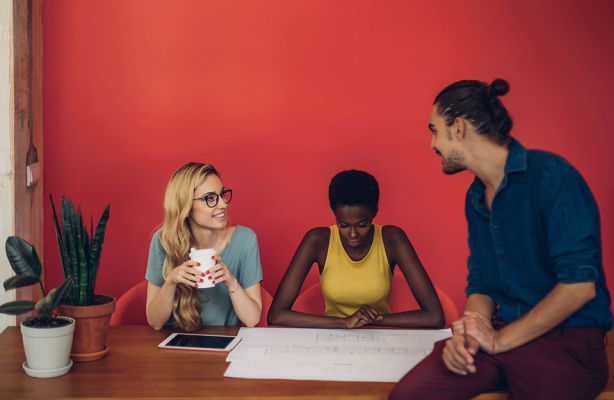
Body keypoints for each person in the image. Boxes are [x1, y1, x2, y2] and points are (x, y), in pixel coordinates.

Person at [390, 79, 612, 399]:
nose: (431, 144)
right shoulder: (476, 197)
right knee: (409, 395)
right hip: (501, 336)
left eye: (434, 130)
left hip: (565, 346)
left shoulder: (551, 176)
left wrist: (497, 341)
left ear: (459, 128)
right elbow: (481, 284)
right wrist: (468, 335)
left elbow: (579, 287)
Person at [268, 169, 444, 329]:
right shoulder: (318, 241)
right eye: (343, 225)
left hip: (383, 339)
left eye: (362, 224)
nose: (353, 234)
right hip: (333, 339)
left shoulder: (392, 239)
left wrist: (373, 319)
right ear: (334, 215)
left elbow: (434, 317)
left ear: (374, 212)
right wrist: (344, 322)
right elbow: (276, 315)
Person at [145, 162, 263, 331]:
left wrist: (231, 282)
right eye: (210, 198)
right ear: (186, 206)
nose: (223, 204)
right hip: (175, 346)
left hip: (224, 343)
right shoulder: (163, 241)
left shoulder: (245, 240)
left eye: (222, 194)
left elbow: (252, 319)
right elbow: (155, 322)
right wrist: (170, 282)